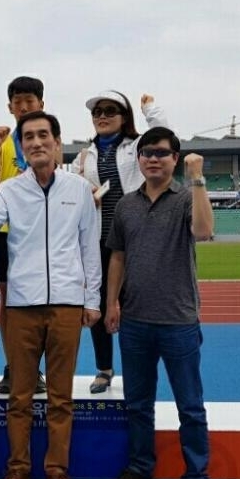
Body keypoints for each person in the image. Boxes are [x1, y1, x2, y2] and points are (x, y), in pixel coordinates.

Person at [0, 111, 101, 479]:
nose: (36, 142)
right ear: (21, 146)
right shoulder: (8, 190)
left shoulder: (79, 189)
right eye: (28, 137)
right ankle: (18, 469)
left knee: (61, 397)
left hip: (66, 304)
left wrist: (92, 299)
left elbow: (89, 246)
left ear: (57, 143)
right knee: (20, 397)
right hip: (22, 305)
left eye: (44, 135)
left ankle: (58, 472)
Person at [103, 126, 214, 479]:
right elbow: (117, 256)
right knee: (138, 403)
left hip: (178, 320)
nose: (153, 158)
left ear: (175, 159)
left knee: (190, 406)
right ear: (139, 159)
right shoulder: (126, 205)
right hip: (135, 320)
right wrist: (111, 302)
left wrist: (197, 179)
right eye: (147, 152)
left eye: (162, 153)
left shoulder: (185, 198)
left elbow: (204, 231)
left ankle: (196, 478)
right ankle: (140, 468)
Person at [72, 90, 168, 394]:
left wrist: (150, 110)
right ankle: (104, 368)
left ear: (124, 116)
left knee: (135, 308)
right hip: (99, 240)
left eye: (110, 111)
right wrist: (84, 191)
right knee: (98, 305)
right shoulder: (85, 154)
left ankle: (137, 370)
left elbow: (165, 138)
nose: (102, 116)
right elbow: (69, 185)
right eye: (97, 112)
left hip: (135, 239)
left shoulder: (138, 147)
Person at [0, 76, 54, 396]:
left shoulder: (49, 140)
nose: (24, 106)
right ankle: (12, 365)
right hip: (6, 233)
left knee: (42, 303)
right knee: (8, 303)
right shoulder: (2, 141)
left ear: (41, 104)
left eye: (30, 101)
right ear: (10, 107)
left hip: (40, 233)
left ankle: (35, 368)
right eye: (18, 102)